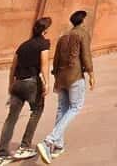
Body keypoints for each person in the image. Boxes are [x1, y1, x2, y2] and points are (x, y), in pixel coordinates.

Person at [37, 10, 95, 164]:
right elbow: (86, 56)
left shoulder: (63, 37)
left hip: (61, 76)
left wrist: (55, 76)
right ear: (82, 21)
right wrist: (91, 74)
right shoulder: (82, 34)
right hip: (74, 76)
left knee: (62, 108)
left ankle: (58, 146)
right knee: (75, 107)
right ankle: (49, 141)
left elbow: (55, 60)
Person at [0, 17, 52, 166]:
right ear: (45, 31)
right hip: (31, 83)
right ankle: (24, 147)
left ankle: (2, 155)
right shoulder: (43, 44)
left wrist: (10, 86)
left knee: (11, 119)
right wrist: (47, 83)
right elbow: (44, 64)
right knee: (37, 111)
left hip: (17, 83)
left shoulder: (23, 46)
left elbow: (13, 68)